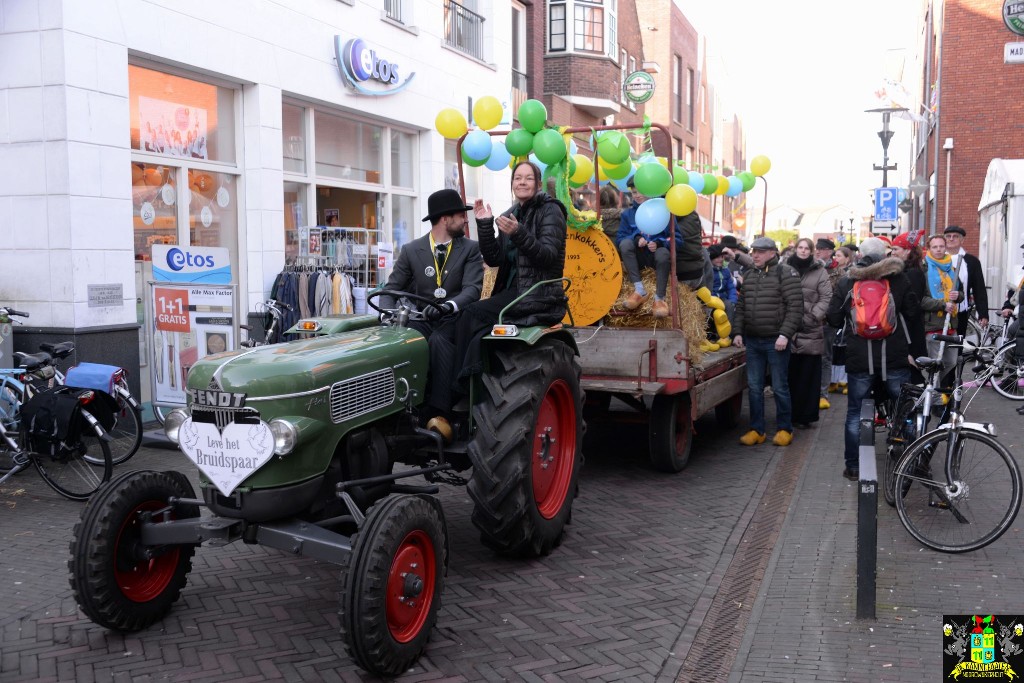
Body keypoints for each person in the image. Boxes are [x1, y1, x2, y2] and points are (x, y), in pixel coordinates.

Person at [426, 161, 568, 439]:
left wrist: (519, 233)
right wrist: (484, 223)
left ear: (538, 184)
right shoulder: (510, 213)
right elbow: (494, 259)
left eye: (529, 178)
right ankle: (438, 399)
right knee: (450, 324)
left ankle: (461, 391)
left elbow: (549, 256)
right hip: (511, 293)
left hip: (537, 294)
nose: (523, 182)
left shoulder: (551, 210)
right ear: (512, 184)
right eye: (518, 178)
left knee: (472, 315)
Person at [826, 237, 925, 481]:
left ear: (860, 254)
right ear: (885, 255)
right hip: (893, 356)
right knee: (906, 409)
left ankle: (853, 467)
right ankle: (911, 459)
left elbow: (834, 319)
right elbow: (913, 312)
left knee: (854, 413)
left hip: (860, 357)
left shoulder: (849, 279)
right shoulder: (898, 278)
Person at [379, 188, 484, 338]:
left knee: (439, 340)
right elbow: (390, 291)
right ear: (445, 219)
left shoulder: (470, 248)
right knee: (406, 340)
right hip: (422, 320)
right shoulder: (411, 250)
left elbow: (473, 289)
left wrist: (448, 307)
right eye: (462, 216)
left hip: (455, 319)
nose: (466, 220)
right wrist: (386, 317)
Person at [732, 236, 804, 447]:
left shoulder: (786, 273)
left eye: (760, 252)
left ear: (773, 253)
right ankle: (757, 430)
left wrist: (785, 334)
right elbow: (741, 307)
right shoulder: (750, 275)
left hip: (776, 340)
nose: (755, 255)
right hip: (753, 340)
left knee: (780, 386)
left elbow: (795, 307)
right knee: (754, 387)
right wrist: (738, 332)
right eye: (754, 251)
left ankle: (784, 429)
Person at [783, 238, 832, 428]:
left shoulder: (819, 271)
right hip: (788, 328)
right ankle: (789, 414)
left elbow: (826, 297)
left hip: (810, 328)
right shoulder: (786, 268)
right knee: (789, 375)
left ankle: (806, 416)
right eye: (800, 247)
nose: (803, 251)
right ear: (795, 249)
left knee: (808, 374)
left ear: (812, 251)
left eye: (807, 248)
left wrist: (813, 316)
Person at [615, 178, 672, 318]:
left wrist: (659, 243)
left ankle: (660, 299)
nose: (637, 195)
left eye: (640, 191)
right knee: (625, 244)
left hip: (656, 259)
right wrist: (635, 239)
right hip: (638, 260)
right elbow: (620, 239)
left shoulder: (664, 211)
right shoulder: (628, 214)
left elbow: (677, 240)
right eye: (634, 192)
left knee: (663, 253)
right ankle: (639, 290)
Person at [921, 233, 962, 376]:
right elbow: (921, 299)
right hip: (934, 324)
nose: (938, 249)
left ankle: (938, 389)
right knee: (934, 364)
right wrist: (942, 305)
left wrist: (958, 296)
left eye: (941, 246)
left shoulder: (951, 269)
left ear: (945, 248)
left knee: (951, 361)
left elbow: (961, 293)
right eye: (935, 247)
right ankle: (933, 394)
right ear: (929, 249)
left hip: (951, 323)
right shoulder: (924, 270)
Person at [943, 225, 989, 335]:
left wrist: (983, 314)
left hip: (961, 310)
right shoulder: (937, 259)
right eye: (948, 236)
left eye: (955, 236)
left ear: (962, 240)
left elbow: (979, 289)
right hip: (940, 309)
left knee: (958, 343)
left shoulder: (972, 262)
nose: (951, 239)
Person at [815, 238, 837, 407]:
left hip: (827, 321)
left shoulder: (837, 271)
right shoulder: (812, 268)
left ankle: (823, 393)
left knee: (825, 358)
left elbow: (837, 297)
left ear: (829, 251)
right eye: (816, 248)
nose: (817, 251)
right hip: (810, 319)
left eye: (821, 249)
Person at [708, 243, 737, 322]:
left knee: (729, 306)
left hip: (722, 298)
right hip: (711, 299)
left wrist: (732, 300)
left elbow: (730, 287)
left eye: (721, 257)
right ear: (711, 259)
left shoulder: (725, 271)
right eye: (717, 257)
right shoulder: (708, 271)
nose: (720, 259)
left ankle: (728, 332)